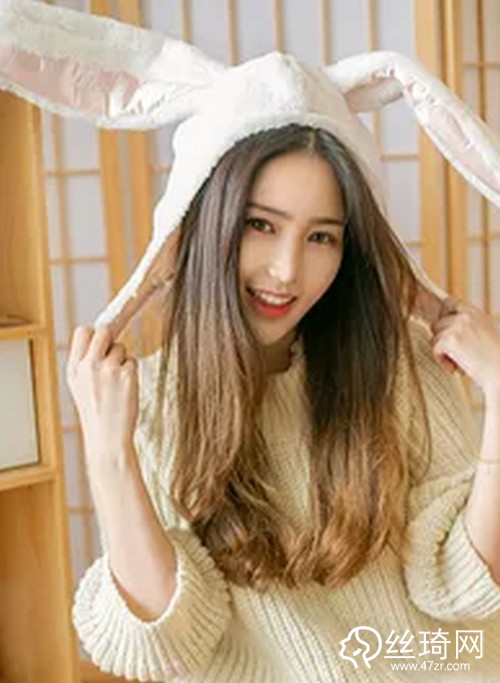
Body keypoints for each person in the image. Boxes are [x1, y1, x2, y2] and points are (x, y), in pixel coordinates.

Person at [2, 2, 500, 681]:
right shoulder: (147, 401)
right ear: (206, 223)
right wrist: (107, 449)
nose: (288, 270)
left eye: (321, 236)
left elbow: (463, 593)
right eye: (260, 225)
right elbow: (169, 641)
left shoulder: (397, 365)